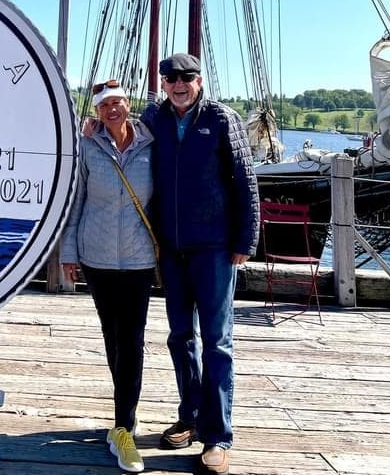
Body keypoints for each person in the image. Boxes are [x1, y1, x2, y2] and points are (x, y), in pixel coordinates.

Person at [141, 53, 259, 475]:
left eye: (186, 77)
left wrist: (246, 238)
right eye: (170, 78)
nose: (178, 84)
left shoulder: (222, 119)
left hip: (213, 247)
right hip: (172, 248)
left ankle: (217, 436)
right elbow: (130, 147)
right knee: (179, 336)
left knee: (216, 340)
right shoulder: (154, 117)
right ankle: (190, 415)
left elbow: (246, 181)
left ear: (199, 80)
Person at [61, 79, 157, 474]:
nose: (111, 110)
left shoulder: (152, 145)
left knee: (132, 340)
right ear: (97, 112)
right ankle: (123, 413)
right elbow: (76, 199)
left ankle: (123, 425)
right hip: (97, 255)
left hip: (138, 258)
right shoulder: (88, 147)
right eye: (104, 106)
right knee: (112, 336)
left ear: (128, 104)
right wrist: (67, 252)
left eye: (117, 103)